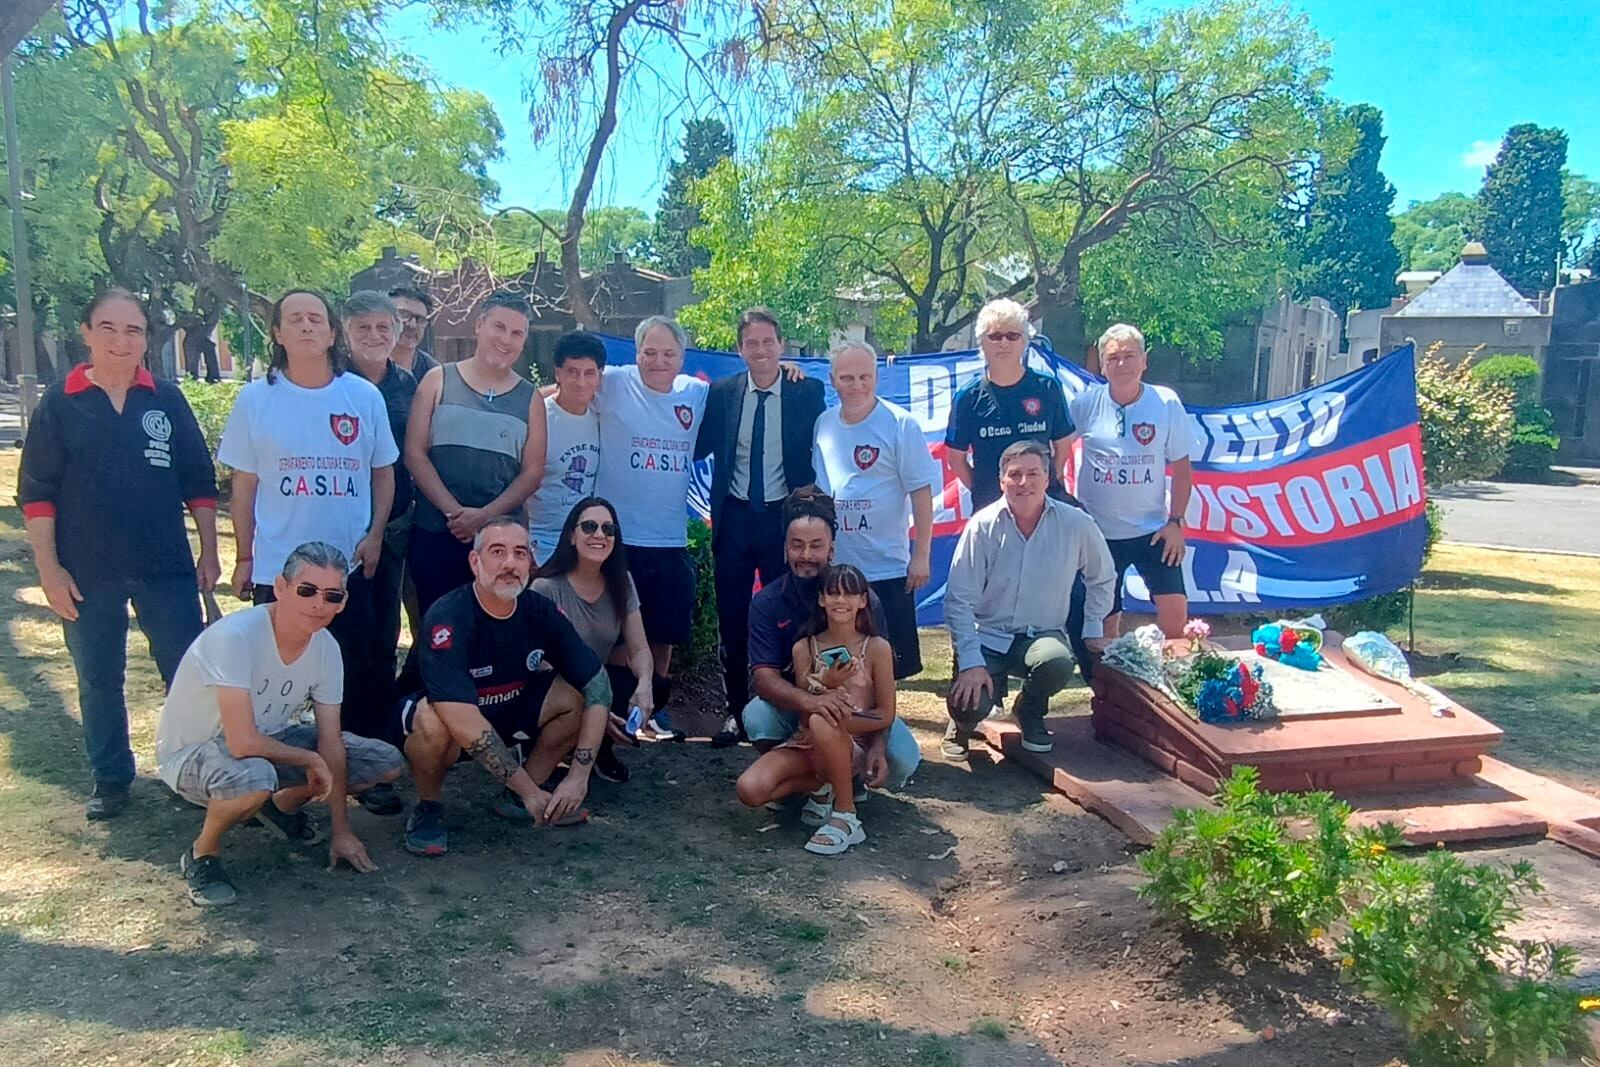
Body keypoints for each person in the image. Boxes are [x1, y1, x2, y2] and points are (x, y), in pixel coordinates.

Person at [19, 288, 220, 821]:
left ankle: (194, 768)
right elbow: (36, 494)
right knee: (99, 677)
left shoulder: (166, 399)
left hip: (166, 567)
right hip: (87, 571)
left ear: (146, 338)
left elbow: (198, 481)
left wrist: (209, 550)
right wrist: (49, 569)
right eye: (108, 328)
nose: (121, 340)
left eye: (133, 330)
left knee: (185, 672)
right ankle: (111, 778)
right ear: (85, 332)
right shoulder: (61, 403)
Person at [155, 542, 406, 907]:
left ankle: (277, 806)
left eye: (332, 595)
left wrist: (341, 830)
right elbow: (241, 743)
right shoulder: (236, 637)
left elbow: (331, 741)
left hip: (268, 740)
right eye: (307, 590)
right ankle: (202, 854)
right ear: (280, 588)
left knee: (384, 762)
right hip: (196, 751)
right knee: (252, 776)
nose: (319, 604)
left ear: (344, 602)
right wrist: (309, 760)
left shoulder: (326, 648)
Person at [217, 289, 397, 743]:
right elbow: (244, 486)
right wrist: (243, 556)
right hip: (281, 565)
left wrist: (375, 535)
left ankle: (361, 768)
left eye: (316, 319)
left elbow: (383, 474)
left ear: (333, 331)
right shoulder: (255, 400)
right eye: (294, 319)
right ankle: (266, 770)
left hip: (350, 564)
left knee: (358, 667)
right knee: (273, 672)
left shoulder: (362, 396)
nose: (305, 326)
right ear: (276, 332)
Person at [395, 517, 614, 858]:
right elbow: (461, 717)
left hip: (506, 705)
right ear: (475, 561)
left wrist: (578, 776)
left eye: (520, 553)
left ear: (531, 561)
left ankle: (523, 796)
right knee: (432, 721)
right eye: (498, 552)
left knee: (578, 697)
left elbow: (598, 682)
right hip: (453, 718)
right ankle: (428, 807)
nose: (510, 563)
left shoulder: (539, 609)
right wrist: (528, 790)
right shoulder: (449, 615)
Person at [695, 308, 827, 745]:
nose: (760, 350)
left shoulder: (806, 391)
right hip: (733, 518)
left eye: (768, 342)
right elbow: (697, 446)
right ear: (739, 349)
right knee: (732, 619)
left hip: (781, 520)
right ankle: (736, 712)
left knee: (789, 617)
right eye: (751, 343)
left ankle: (786, 710)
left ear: (781, 346)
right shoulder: (723, 393)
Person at [942, 441, 1115, 759]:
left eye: (1033, 473)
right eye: (1015, 474)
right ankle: (962, 725)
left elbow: (1102, 577)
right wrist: (969, 661)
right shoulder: (981, 526)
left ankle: (1030, 710)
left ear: (1048, 477)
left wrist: (1092, 627)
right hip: (988, 637)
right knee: (970, 704)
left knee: (1058, 662)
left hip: (1042, 636)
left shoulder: (1076, 524)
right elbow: (958, 600)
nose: (1024, 482)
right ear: (1001, 481)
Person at [743, 487, 922, 792]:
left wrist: (877, 744)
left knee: (903, 760)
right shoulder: (767, 601)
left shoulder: (865, 600)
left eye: (816, 545)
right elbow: (763, 679)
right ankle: (816, 781)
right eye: (797, 545)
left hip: (858, 713)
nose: (807, 556)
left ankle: (846, 778)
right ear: (785, 548)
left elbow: (882, 690)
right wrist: (813, 702)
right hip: (796, 708)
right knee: (757, 716)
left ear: (832, 549)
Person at [589, 315, 708, 741]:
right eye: (649, 352)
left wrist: (789, 369)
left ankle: (655, 706)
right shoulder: (614, 382)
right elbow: (563, 391)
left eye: (668, 353)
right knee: (616, 633)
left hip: (669, 537)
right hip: (618, 539)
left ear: (682, 357)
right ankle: (614, 710)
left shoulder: (696, 394)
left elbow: (748, 391)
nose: (658, 361)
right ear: (636, 353)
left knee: (664, 632)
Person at [736, 563, 896, 856]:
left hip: (851, 746)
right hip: (807, 741)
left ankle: (846, 815)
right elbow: (804, 714)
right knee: (749, 789)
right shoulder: (804, 648)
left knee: (824, 721)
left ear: (863, 601)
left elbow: (886, 713)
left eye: (850, 594)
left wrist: (842, 723)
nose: (840, 600)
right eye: (833, 593)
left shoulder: (877, 648)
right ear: (821, 599)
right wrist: (825, 683)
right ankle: (823, 786)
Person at [405, 289, 546, 616]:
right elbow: (415, 453)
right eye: (499, 327)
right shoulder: (438, 380)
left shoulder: (530, 399)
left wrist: (484, 518)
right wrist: (455, 513)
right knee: (435, 628)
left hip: (501, 543)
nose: (506, 339)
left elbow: (533, 472)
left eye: (517, 333)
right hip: (436, 532)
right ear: (479, 325)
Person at [811, 339, 939, 680]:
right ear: (833, 379)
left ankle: (884, 728)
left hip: (887, 568)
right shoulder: (823, 424)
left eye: (864, 377)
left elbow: (921, 492)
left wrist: (921, 554)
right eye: (847, 378)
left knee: (889, 666)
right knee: (842, 662)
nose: (857, 386)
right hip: (838, 569)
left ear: (876, 377)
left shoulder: (900, 424)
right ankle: (846, 729)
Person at [341, 289, 417, 815]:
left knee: (379, 645)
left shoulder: (410, 385)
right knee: (333, 651)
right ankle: (327, 753)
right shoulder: (328, 381)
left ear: (396, 331)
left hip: (390, 536)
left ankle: (372, 761)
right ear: (345, 332)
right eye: (362, 328)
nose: (374, 337)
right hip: (332, 535)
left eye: (382, 328)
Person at [1069, 323, 1195, 637]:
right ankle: (1113, 684)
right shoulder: (1085, 404)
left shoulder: (1165, 403)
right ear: (1102, 364)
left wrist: (1176, 522)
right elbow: (1056, 453)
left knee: (1175, 615)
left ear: (1144, 360)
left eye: (1129, 356)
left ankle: (1167, 680)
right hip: (1100, 534)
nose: (1121, 364)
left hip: (1153, 532)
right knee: (1105, 622)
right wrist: (1070, 510)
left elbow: (1181, 467)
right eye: (1112, 358)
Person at [531, 498, 653, 784]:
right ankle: (543, 751)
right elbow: (537, 663)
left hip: (596, 679)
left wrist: (644, 686)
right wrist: (596, 708)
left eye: (608, 529)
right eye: (589, 526)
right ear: (571, 536)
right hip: (555, 685)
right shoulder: (545, 588)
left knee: (655, 687)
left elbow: (640, 648)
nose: (600, 535)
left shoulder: (622, 582)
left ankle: (598, 749)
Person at [944, 298, 1075, 510]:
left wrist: (1043, 484)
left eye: (1012, 336)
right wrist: (985, 490)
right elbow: (956, 460)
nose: (1004, 343)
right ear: (982, 343)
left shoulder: (1047, 388)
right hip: (992, 510)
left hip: (1043, 508)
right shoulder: (967, 397)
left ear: (1024, 341)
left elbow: (1063, 446)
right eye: (995, 336)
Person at [528, 331, 603, 561]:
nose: (581, 382)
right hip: (539, 540)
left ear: (600, 375)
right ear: (557, 373)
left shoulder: (603, 414)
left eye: (589, 373)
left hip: (585, 540)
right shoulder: (537, 416)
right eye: (572, 372)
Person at [388, 286, 440, 381]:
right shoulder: (364, 363)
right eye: (404, 315)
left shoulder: (433, 372)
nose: (412, 325)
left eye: (420, 320)